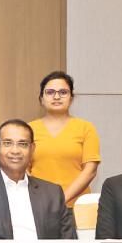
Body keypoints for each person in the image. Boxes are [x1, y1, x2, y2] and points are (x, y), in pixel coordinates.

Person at [0, 119, 76, 239]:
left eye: (23, 144)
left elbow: (67, 242)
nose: (15, 151)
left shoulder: (53, 193)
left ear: (32, 149)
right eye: (8, 143)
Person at [28, 71, 100, 207]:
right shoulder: (28, 129)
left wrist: (61, 200)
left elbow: (90, 170)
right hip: (38, 205)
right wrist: (41, 198)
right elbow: (22, 168)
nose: (56, 96)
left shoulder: (86, 128)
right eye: (50, 92)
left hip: (77, 206)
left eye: (63, 92)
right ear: (41, 99)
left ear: (71, 98)